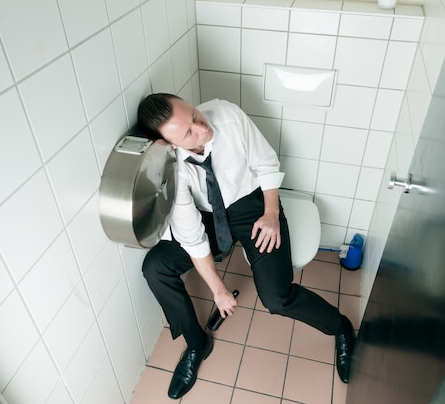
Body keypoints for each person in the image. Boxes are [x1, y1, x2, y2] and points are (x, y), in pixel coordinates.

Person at [135, 93, 356, 399]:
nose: (202, 128)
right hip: (207, 214)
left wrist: (272, 213)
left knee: (277, 298)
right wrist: (217, 289)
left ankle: (342, 326)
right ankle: (197, 344)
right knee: (155, 267)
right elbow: (193, 237)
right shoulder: (171, 167)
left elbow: (265, 164)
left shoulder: (226, 115)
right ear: (170, 144)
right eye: (188, 133)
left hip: (251, 204)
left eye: (195, 116)